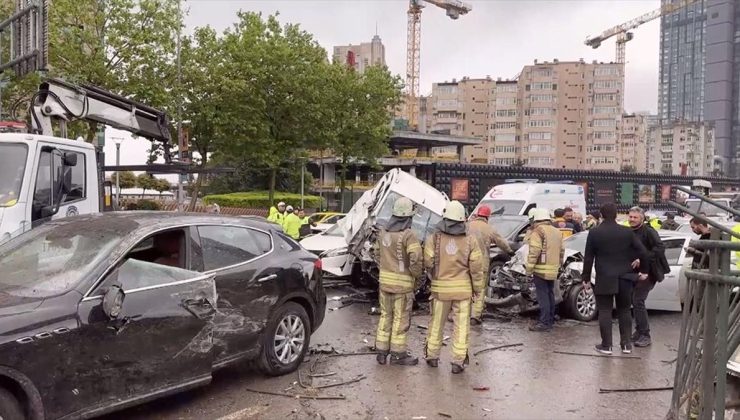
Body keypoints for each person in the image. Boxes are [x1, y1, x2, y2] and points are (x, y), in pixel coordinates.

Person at [424, 201, 485, 374]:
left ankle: (432, 357)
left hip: (440, 291)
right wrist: (478, 289)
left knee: (436, 324)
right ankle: (457, 362)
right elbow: (476, 267)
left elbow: (427, 261)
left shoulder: (434, 238)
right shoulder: (470, 240)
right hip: (463, 292)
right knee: (461, 326)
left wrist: (434, 273)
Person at [582, 203, 649, 355]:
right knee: (624, 310)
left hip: (604, 277)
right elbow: (643, 252)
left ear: (602, 215)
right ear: (616, 215)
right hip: (625, 277)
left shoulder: (594, 233)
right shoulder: (627, 232)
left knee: (605, 310)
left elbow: (588, 258)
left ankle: (606, 346)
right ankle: (626, 345)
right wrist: (643, 271)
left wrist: (585, 277)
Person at [373, 197, 423, 366]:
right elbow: (415, 259)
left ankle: (381, 353)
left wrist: (385, 268)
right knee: (400, 319)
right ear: (408, 217)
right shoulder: (409, 235)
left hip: (384, 284)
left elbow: (376, 254)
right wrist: (415, 275)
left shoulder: (383, 232)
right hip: (402, 286)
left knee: (385, 316)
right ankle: (398, 355)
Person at [627, 206, 668, 348]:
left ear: (642, 218)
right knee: (634, 300)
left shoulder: (649, 231)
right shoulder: (630, 231)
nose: (631, 219)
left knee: (638, 300)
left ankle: (645, 334)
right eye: (630, 217)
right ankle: (639, 331)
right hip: (634, 273)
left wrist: (642, 259)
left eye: (635, 217)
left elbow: (660, 248)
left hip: (650, 272)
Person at [468, 205, 515, 325]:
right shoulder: (489, 229)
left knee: (467, 288)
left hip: (466, 264)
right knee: (479, 290)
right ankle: (475, 316)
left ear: (478, 214)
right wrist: (510, 252)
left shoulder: (467, 226)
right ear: (488, 217)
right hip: (481, 264)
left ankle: (464, 313)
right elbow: (501, 242)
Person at [525, 208, 564, 332]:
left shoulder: (538, 231)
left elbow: (534, 251)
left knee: (543, 297)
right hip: (553, 269)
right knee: (550, 294)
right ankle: (550, 319)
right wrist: (559, 264)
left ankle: (544, 322)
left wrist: (529, 269)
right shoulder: (557, 231)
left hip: (541, 270)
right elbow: (562, 250)